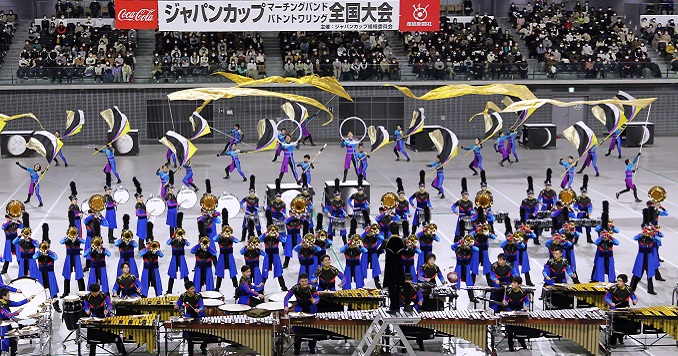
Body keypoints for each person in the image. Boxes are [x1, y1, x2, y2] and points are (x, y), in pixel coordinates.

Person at [83, 284, 126, 356]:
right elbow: (86, 307)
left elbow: (109, 305)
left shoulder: (104, 295)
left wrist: (107, 310)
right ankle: (92, 354)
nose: (97, 293)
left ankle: (123, 352)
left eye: (98, 292)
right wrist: (87, 311)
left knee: (115, 335)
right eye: (95, 292)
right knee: (93, 337)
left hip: (105, 317)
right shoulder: (87, 297)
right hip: (94, 318)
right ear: (91, 292)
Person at [175, 281, 216, 356]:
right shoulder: (183, 296)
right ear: (187, 290)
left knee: (205, 332)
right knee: (190, 335)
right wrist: (177, 307)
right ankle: (190, 352)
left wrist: (199, 309)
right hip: (189, 316)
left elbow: (201, 305)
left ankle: (203, 348)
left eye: (193, 288)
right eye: (191, 289)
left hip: (199, 314)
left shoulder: (198, 295)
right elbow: (178, 304)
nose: (193, 290)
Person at [285, 273, 320, 355]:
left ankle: (312, 347)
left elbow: (317, 297)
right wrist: (286, 306)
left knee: (313, 329)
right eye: (302, 281)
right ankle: (297, 349)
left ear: (308, 280)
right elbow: (286, 297)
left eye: (306, 281)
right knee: (298, 329)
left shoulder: (312, 287)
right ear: (299, 281)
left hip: (311, 309)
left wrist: (316, 301)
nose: (304, 283)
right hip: (300, 309)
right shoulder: (295, 288)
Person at [606, 274, 638, 345]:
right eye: (618, 280)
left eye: (620, 281)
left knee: (623, 326)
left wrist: (634, 301)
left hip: (624, 310)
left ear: (624, 282)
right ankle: (613, 342)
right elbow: (606, 298)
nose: (618, 282)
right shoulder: (613, 288)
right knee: (614, 327)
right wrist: (611, 303)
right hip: (614, 310)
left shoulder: (629, 289)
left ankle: (621, 338)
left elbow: (634, 297)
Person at [630, 224, 660, 295]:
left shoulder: (652, 237)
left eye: (649, 230)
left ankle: (650, 289)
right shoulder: (641, 237)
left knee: (649, 274)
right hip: (641, 256)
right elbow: (635, 238)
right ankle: (631, 289)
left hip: (649, 256)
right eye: (647, 230)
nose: (648, 232)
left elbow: (659, 239)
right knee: (637, 274)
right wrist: (642, 233)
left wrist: (652, 234)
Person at [33, 234, 61, 311]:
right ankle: (42, 305)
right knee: (41, 290)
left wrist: (48, 252)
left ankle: (56, 306)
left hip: (50, 273)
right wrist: (40, 252)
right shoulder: (39, 254)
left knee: (53, 290)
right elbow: (34, 257)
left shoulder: (51, 253)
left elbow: (56, 257)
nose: (44, 249)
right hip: (41, 273)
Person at [503, 277, 530, 352]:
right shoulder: (508, 291)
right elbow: (505, 300)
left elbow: (527, 301)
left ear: (519, 284)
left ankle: (522, 342)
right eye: (512, 282)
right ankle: (510, 345)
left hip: (519, 311)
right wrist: (505, 302)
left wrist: (526, 306)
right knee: (510, 330)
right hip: (510, 310)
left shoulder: (523, 292)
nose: (512, 284)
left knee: (519, 329)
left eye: (514, 283)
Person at [61, 219, 86, 296]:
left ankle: (82, 291)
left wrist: (77, 237)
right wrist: (67, 237)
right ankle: (66, 292)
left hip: (77, 258)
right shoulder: (66, 240)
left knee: (79, 275)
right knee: (67, 275)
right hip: (69, 258)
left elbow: (84, 241)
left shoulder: (78, 240)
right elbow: (61, 242)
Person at [451, 235, 479, 301]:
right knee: (455, 281)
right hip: (459, 267)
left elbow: (477, 249)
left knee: (469, 283)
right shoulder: (458, 248)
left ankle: (471, 298)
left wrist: (470, 245)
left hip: (467, 267)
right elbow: (452, 246)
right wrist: (459, 242)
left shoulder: (471, 249)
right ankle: (451, 298)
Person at [260, 223, 288, 291]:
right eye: (271, 230)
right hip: (267, 255)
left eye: (274, 230)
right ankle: (261, 288)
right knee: (265, 272)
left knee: (278, 271)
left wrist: (278, 236)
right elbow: (259, 239)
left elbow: (284, 240)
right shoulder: (266, 236)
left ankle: (283, 287)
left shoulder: (277, 237)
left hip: (275, 255)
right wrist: (265, 233)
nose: (273, 231)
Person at [139, 225, 163, 297]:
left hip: (155, 269)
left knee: (157, 285)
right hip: (146, 269)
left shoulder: (156, 248)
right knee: (144, 285)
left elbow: (161, 255)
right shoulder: (144, 250)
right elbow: (140, 254)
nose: (149, 244)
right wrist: (147, 248)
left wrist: (156, 250)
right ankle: (144, 297)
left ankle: (158, 297)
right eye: (148, 243)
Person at [192, 226, 217, 292]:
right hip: (199, 266)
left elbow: (214, 253)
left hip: (207, 267)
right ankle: (197, 291)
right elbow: (192, 251)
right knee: (198, 280)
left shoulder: (209, 249)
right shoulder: (198, 248)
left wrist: (208, 247)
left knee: (208, 279)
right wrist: (198, 245)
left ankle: (210, 291)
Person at [361, 223, 383, 289]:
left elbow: (382, 238)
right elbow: (360, 237)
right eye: (372, 229)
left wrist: (377, 233)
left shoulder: (376, 236)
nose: (373, 230)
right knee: (363, 268)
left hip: (373, 254)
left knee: (375, 269)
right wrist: (367, 231)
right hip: (365, 254)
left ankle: (377, 284)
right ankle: (360, 283)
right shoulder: (365, 235)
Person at [574, 175, 594, 243]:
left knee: (588, 226)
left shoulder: (588, 199)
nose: (584, 193)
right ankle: (576, 239)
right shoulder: (578, 198)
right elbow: (575, 205)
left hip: (586, 214)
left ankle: (589, 238)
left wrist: (590, 211)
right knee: (578, 226)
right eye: (583, 192)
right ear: (581, 192)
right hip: (580, 214)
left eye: (585, 192)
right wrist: (577, 209)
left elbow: (590, 206)